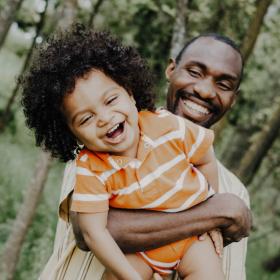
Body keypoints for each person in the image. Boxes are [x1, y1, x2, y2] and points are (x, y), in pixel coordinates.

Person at [35, 32, 251, 280]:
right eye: (194, 72)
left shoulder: (236, 191)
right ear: (172, 69)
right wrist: (215, 212)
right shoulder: (100, 149)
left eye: (223, 85)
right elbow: (92, 232)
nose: (204, 91)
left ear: (233, 99)